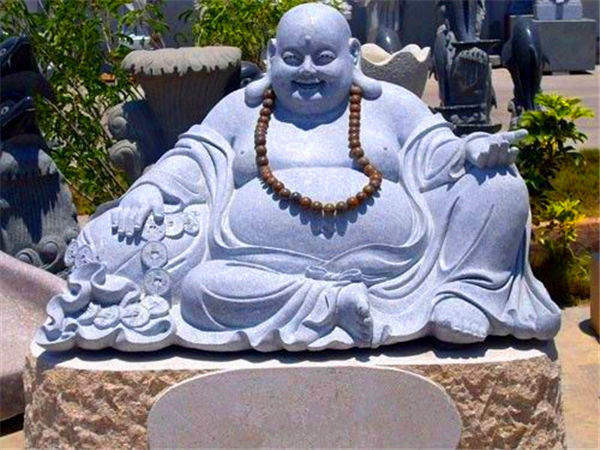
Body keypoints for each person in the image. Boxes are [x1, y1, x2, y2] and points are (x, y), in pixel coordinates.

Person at [37, 3, 560, 352]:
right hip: (258, 269)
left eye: (323, 57)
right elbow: (194, 157)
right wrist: (150, 189)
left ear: (352, 56)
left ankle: (462, 295)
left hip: (403, 268)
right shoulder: (242, 111)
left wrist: (474, 150)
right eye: (292, 58)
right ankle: (333, 306)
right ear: (270, 57)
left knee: (500, 187)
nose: (307, 69)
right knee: (198, 292)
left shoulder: (390, 106)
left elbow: (440, 155)